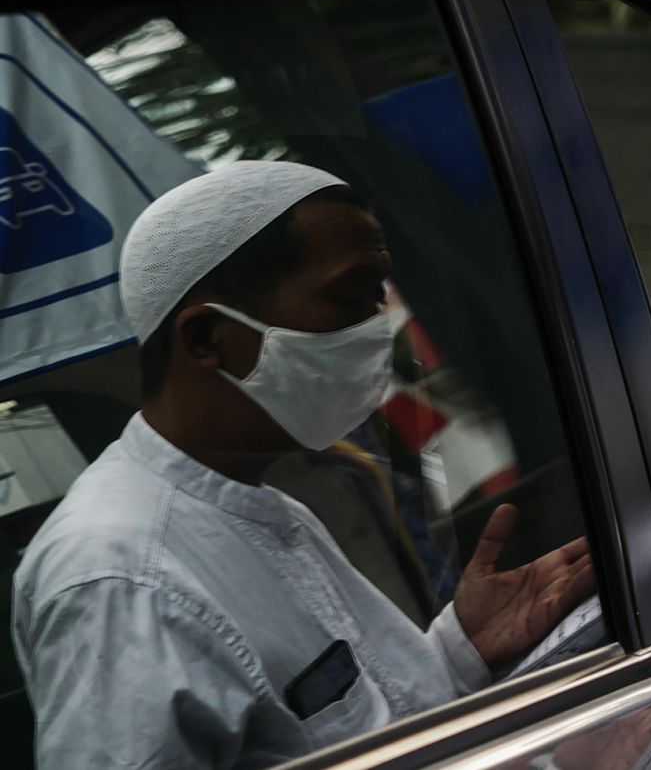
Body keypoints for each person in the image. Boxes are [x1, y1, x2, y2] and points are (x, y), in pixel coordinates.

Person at [11, 161, 595, 768]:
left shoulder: (255, 502)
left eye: (380, 299)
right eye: (349, 298)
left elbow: (363, 728)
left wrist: (462, 648)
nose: (377, 330)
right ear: (207, 338)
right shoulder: (124, 579)